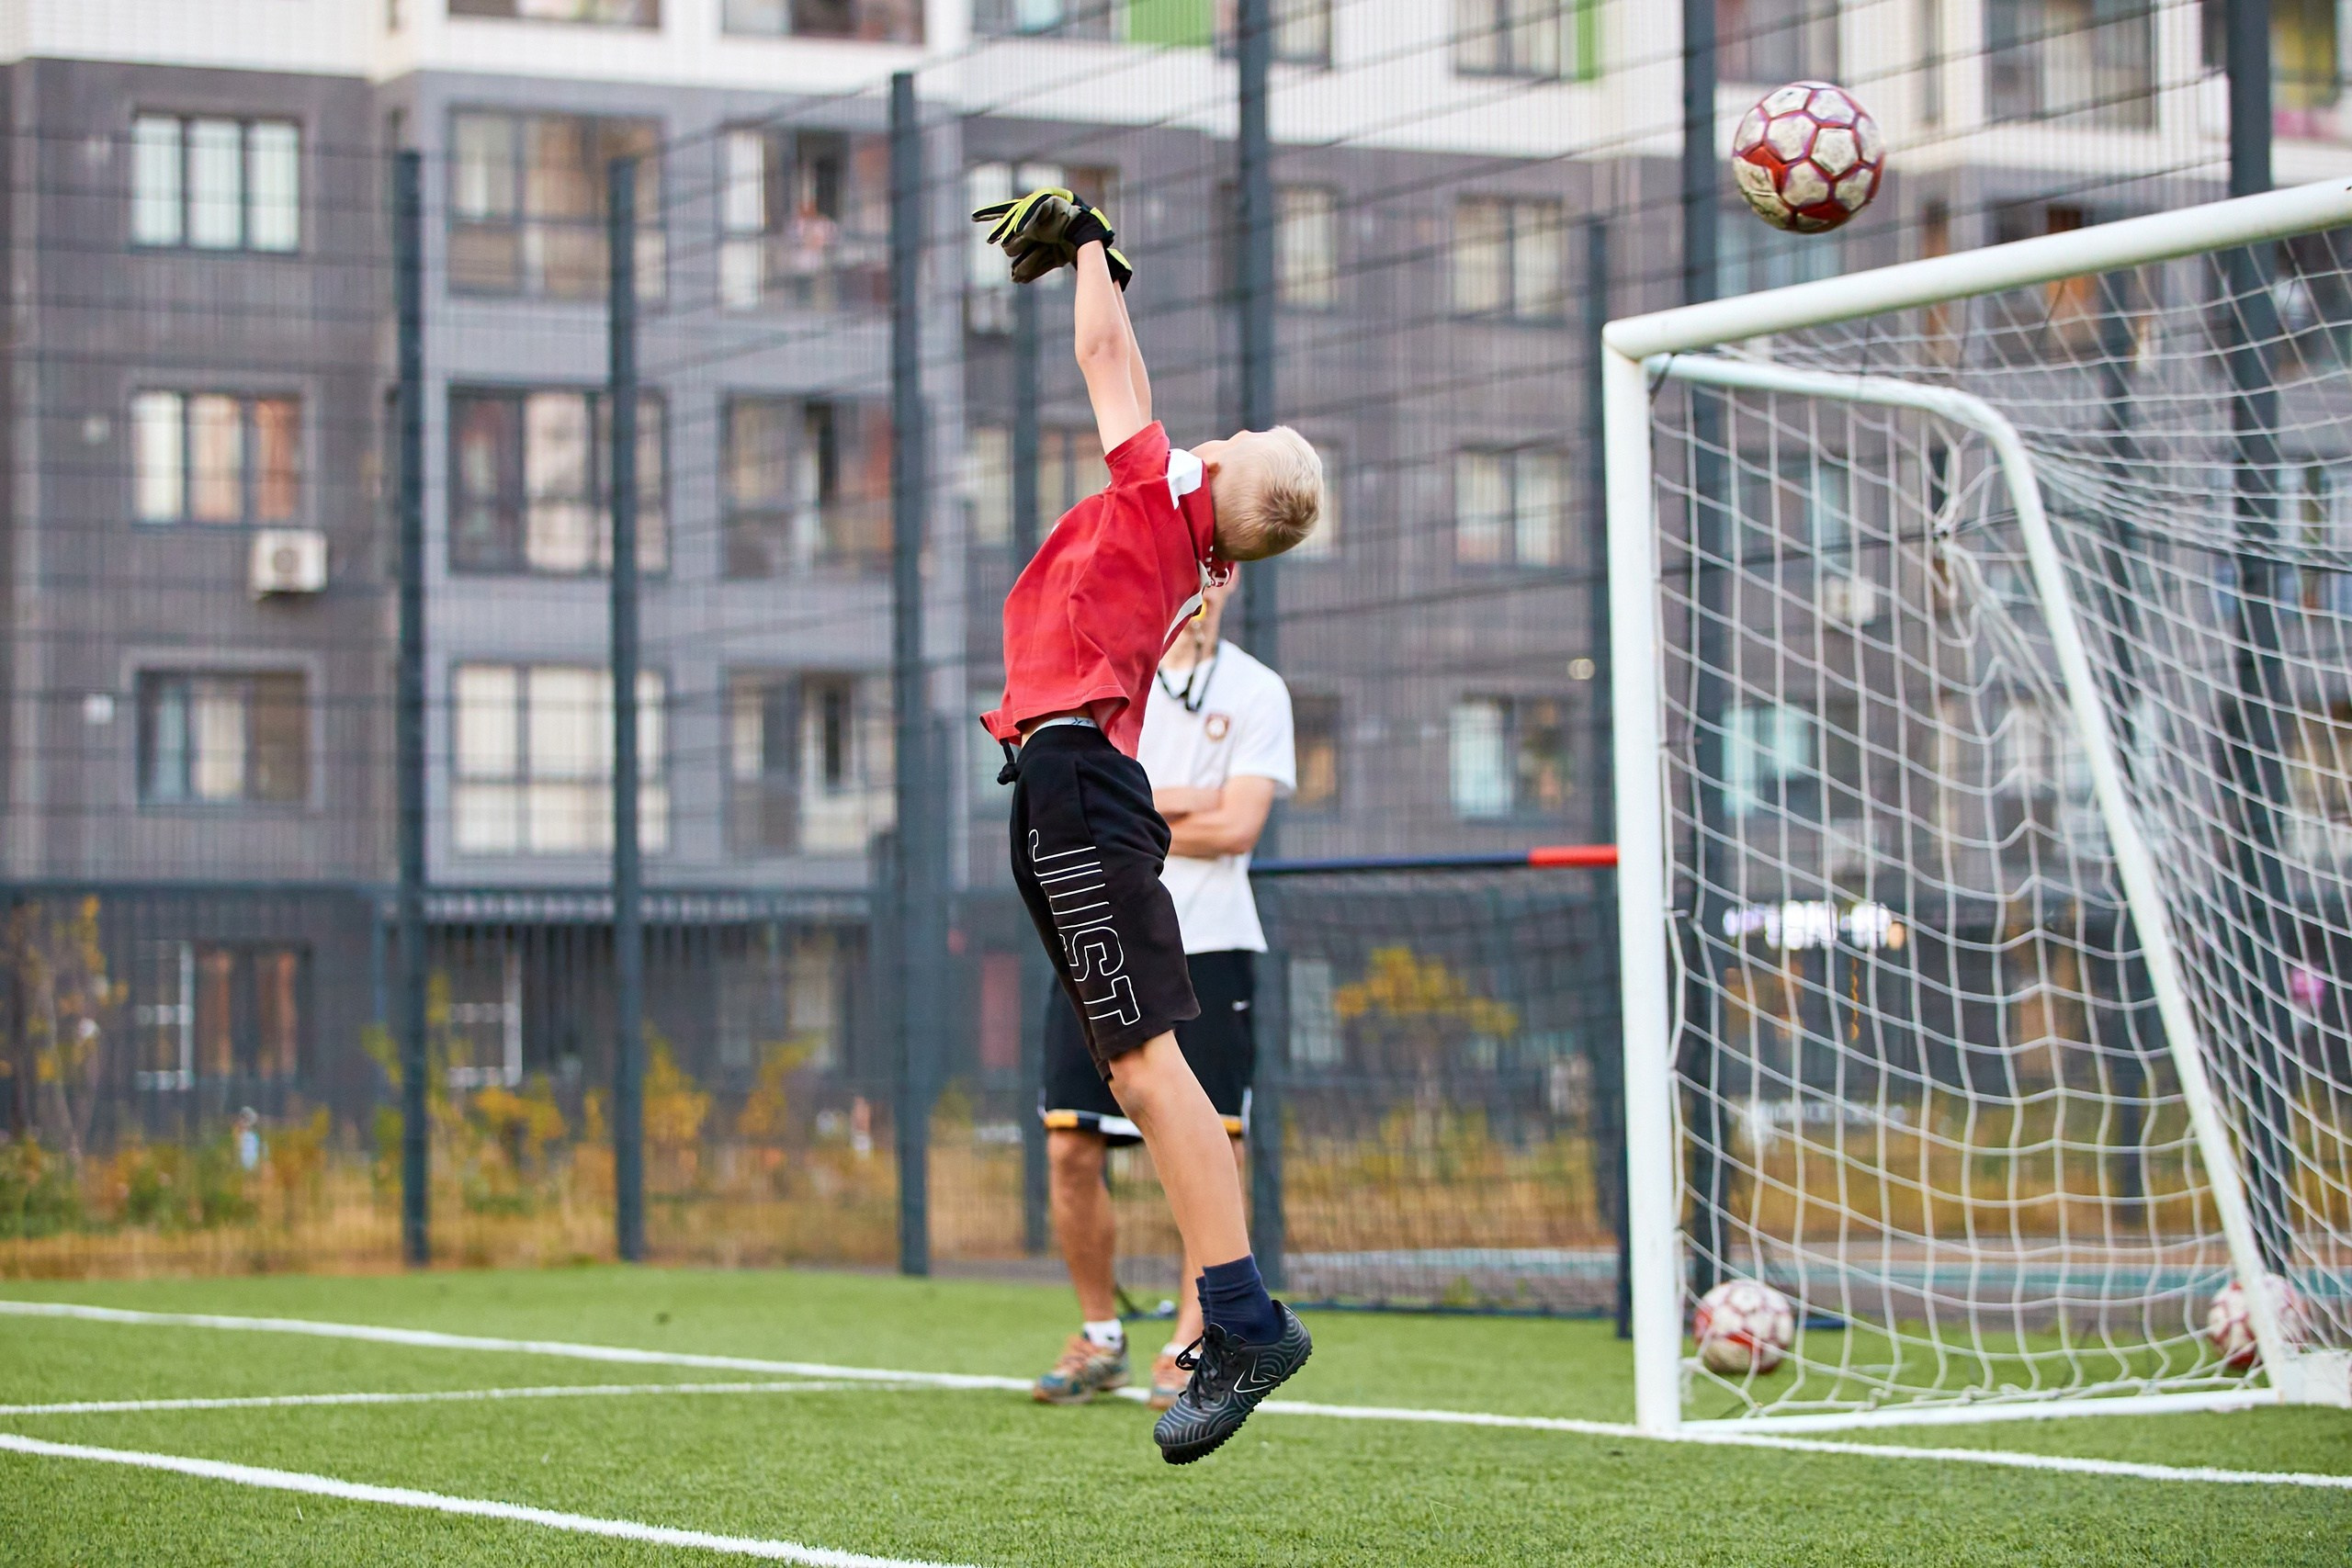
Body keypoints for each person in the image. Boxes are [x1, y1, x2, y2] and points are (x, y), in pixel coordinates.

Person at [976, 186, 1323, 1464]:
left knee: (1147, 1063)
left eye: (1225, 436)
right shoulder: (1190, 539)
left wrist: (1088, 246)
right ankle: (1237, 1312)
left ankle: (1242, 1316)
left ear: (1215, 473)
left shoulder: (1161, 499)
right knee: (1139, 1065)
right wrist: (1095, 255)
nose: (1203, 435)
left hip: (1076, 784)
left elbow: (1102, 354)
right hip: (1060, 778)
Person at [1030, 570, 1295, 1413]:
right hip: (1100, 936)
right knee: (1070, 1145)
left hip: (1211, 944)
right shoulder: (1109, 683)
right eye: (1192, 569)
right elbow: (1087, 810)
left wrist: (1132, 813)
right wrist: (1182, 808)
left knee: (1207, 1137)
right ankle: (1100, 1336)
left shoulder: (1258, 689)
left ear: (1234, 577)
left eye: (1219, 571)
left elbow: (1238, 827)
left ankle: (1194, 1339)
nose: (1203, 588)